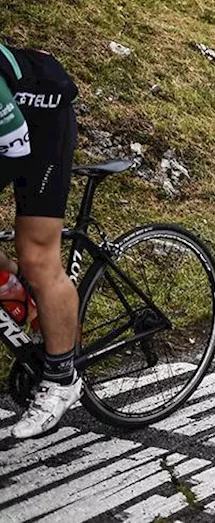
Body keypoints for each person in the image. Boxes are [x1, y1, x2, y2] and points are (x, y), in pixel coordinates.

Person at [0, 41, 81, 439]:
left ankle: (62, 380)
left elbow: (14, 145)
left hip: (40, 128)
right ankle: (21, 290)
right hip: (12, 125)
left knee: (37, 254)